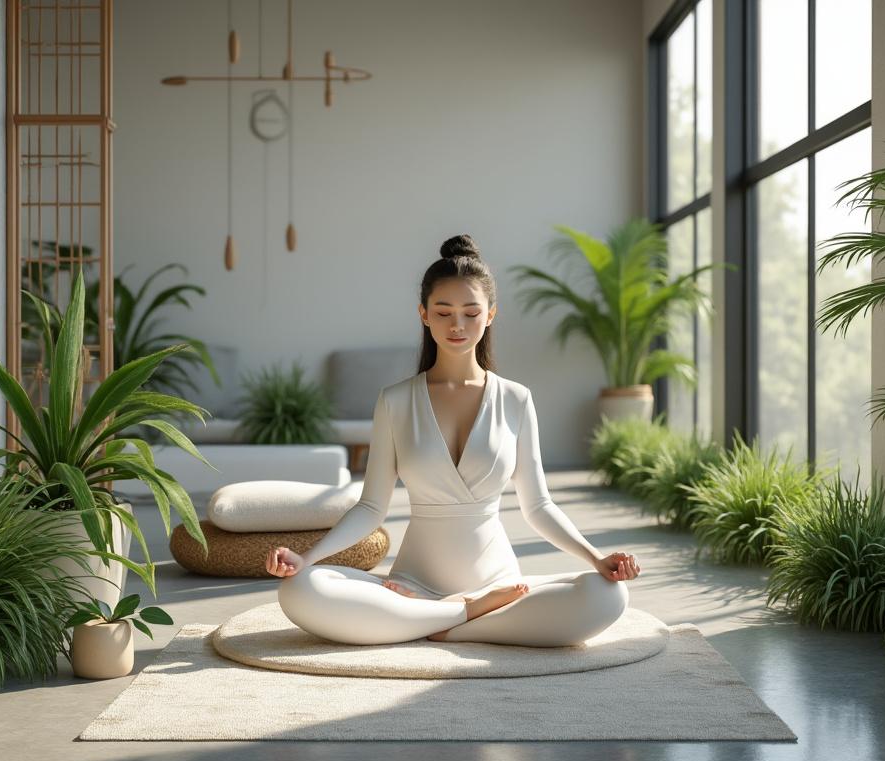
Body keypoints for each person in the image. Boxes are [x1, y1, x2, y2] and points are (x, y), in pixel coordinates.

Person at [265, 234, 641, 646]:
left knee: (607, 595)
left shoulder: (516, 399)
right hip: (412, 586)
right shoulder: (395, 401)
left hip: (499, 589)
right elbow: (372, 506)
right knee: (299, 589)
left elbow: (539, 506)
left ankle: (445, 624)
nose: (457, 325)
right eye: (443, 312)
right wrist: (307, 559)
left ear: (491, 314)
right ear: (423, 315)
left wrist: (595, 558)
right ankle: (461, 617)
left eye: (470, 312)